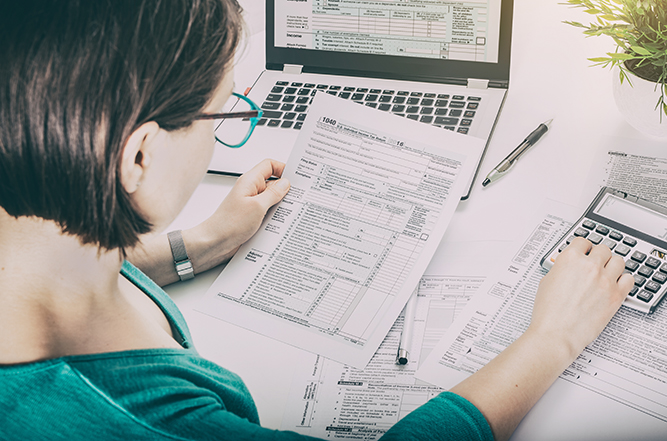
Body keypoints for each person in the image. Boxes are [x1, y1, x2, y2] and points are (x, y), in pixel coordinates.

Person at [0, 1, 634, 440]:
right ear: (139, 155)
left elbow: (57, 260)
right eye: (226, 114)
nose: (226, 136)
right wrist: (554, 338)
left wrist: (201, 243)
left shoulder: (35, 232)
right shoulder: (139, 420)